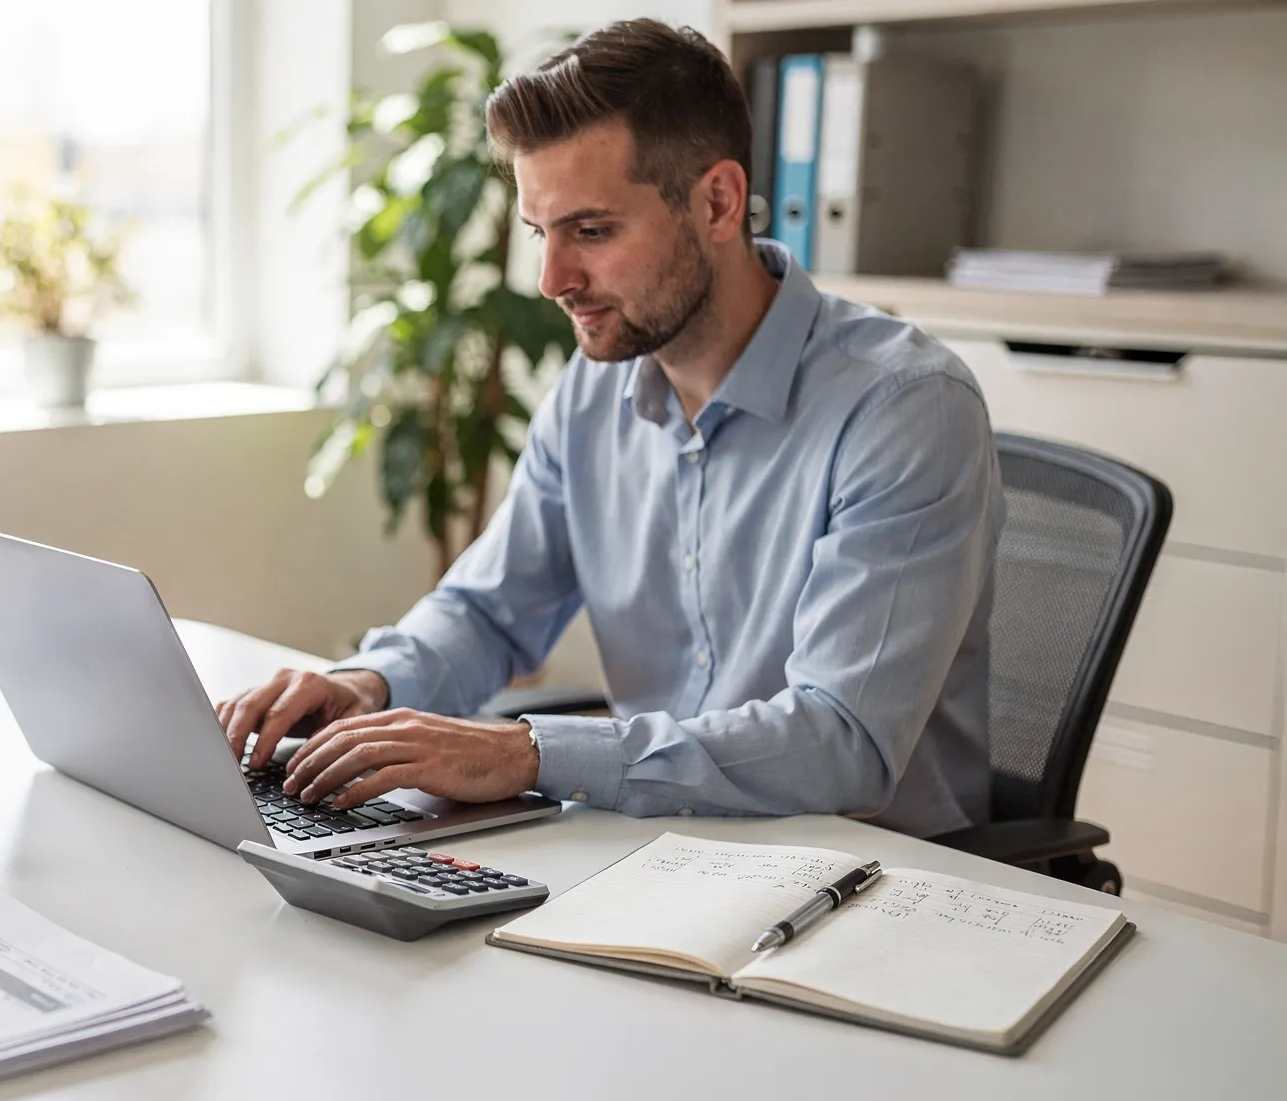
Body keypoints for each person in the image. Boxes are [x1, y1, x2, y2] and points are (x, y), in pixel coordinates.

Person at [217, 19, 1002, 838]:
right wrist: (368, 684)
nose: (554, 280)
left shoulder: (904, 407)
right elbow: (490, 609)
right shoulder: (593, 393)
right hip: (659, 853)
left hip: (868, 881)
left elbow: (843, 744)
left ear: (718, 202)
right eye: (540, 234)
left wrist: (522, 752)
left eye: (591, 231)